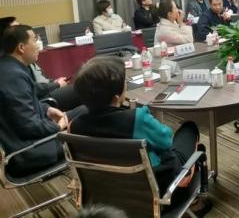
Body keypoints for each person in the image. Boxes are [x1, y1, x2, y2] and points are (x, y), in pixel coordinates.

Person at [70, 56, 211, 216]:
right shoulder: (136, 119)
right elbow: (166, 140)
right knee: (189, 129)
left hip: (105, 196)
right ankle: (196, 204)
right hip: (158, 193)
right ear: (116, 97)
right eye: (124, 82)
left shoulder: (74, 126)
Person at [0, 25, 69, 176]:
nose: (38, 46)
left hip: (30, 141)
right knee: (89, 123)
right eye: (34, 40)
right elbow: (28, 127)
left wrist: (46, 109)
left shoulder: (8, 67)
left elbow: (24, 104)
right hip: (30, 152)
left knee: (83, 115)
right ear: (21, 47)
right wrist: (58, 127)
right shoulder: (13, 76)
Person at [0, 16, 82, 111]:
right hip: (41, 98)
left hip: (45, 91)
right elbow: (33, 90)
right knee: (82, 89)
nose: (21, 29)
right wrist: (56, 85)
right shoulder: (11, 67)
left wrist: (54, 83)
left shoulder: (25, 55)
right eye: (16, 28)